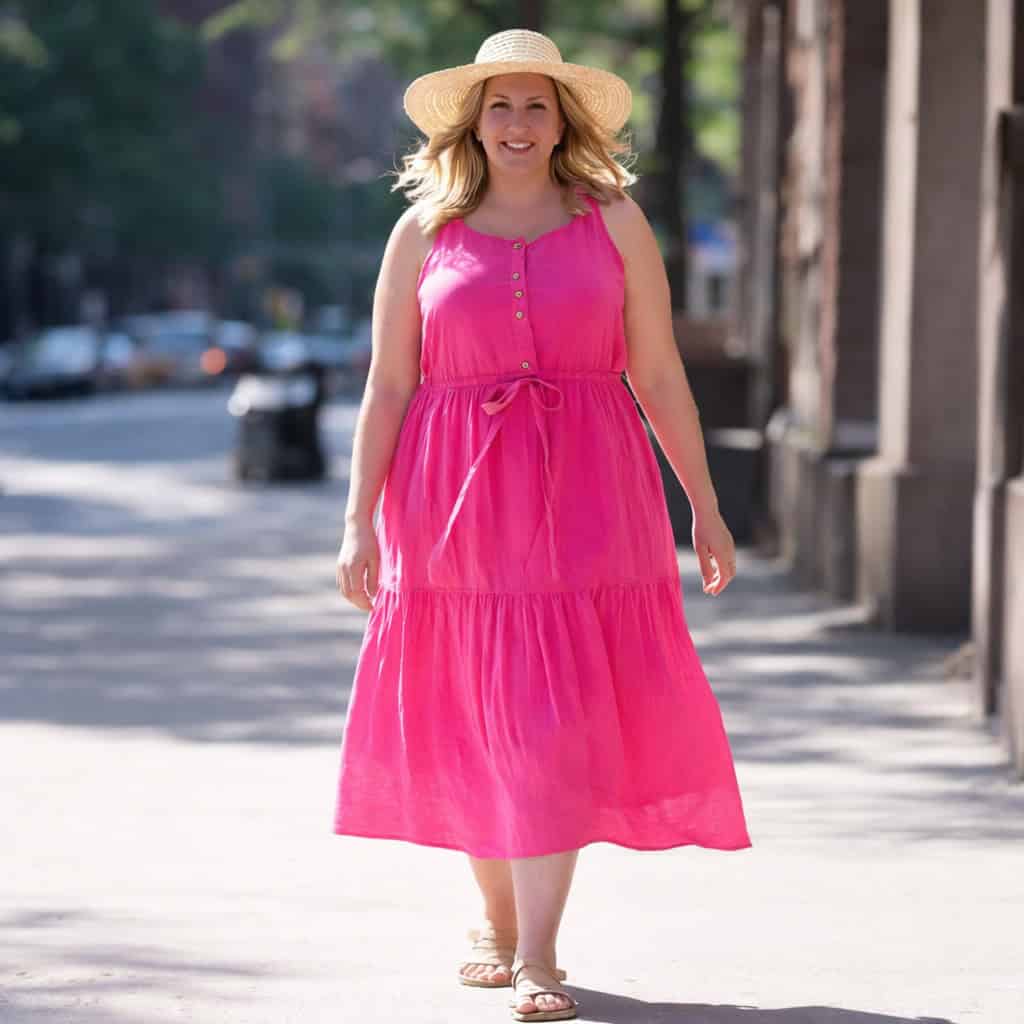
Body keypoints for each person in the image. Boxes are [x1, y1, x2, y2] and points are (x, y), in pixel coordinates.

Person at [333, 28, 752, 1022]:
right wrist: (358, 522)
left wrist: (704, 502)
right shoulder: (424, 230)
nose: (517, 124)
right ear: (472, 123)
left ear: (562, 121)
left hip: (590, 491)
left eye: (535, 105)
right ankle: (492, 920)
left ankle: (539, 953)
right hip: (452, 503)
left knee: (550, 720)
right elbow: (389, 384)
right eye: (499, 105)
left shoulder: (612, 220)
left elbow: (656, 374)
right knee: (480, 708)